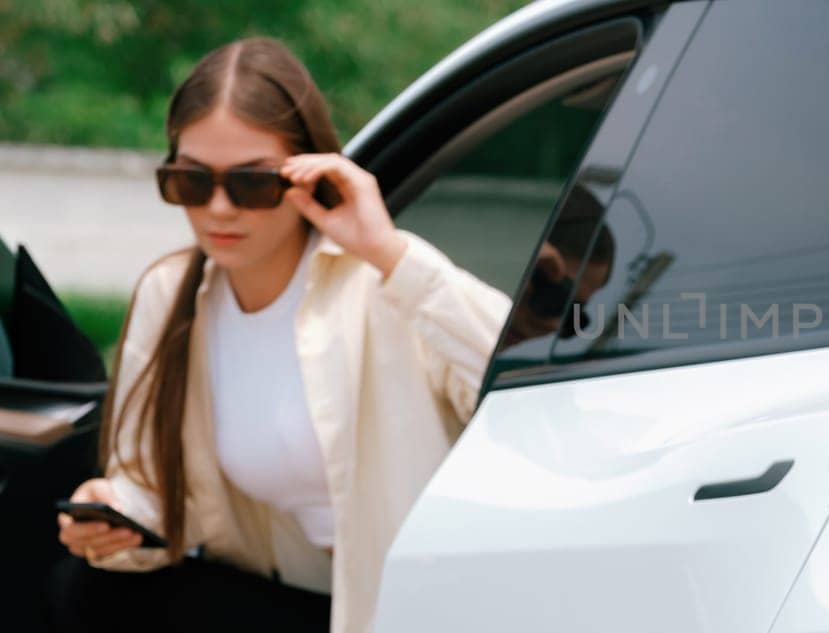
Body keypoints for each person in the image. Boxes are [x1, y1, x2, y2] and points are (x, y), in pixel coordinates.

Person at [47, 37, 510, 632]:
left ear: (309, 174)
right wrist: (113, 513)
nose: (218, 209)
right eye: (191, 182)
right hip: (291, 599)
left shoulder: (383, 284)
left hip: (415, 609)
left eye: (251, 184)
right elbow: (154, 491)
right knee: (85, 588)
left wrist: (389, 251)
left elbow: (518, 377)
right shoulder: (171, 296)